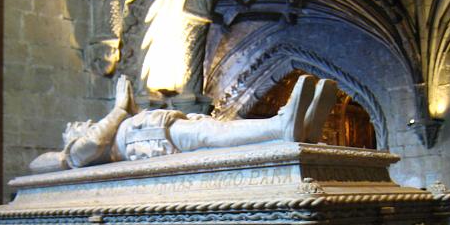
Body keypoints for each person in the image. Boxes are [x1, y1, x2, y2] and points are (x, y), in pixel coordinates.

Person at [30, 73, 338, 172]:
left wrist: (127, 111)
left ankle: (288, 129)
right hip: (146, 139)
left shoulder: (110, 129)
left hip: (152, 129)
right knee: (211, 135)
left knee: (213, 131)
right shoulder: (74, 152)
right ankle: (279, 127)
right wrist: (119, 109)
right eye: (75, 125)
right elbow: (89, 146)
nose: (82, 122)